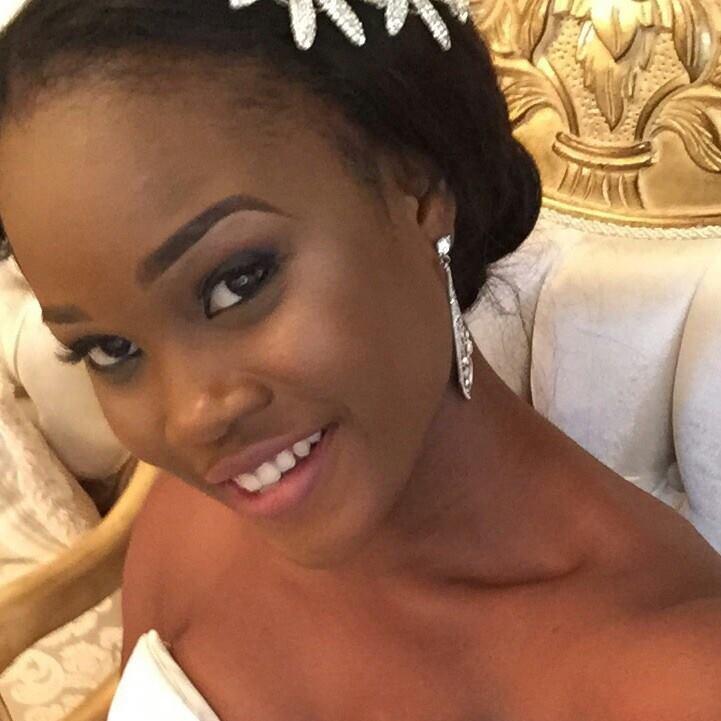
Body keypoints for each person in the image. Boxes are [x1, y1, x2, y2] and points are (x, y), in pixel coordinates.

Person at [1, 1, 720, 718]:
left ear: (420, 185)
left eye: (238, 282)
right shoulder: (184, 525)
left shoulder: (671, 678)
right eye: (112, 349)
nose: (192, 419)